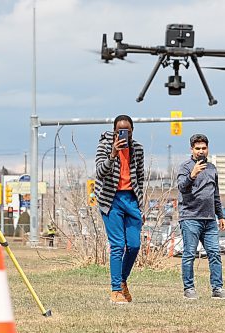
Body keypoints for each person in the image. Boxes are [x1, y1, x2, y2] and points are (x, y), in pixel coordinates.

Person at [95, 115, 144, 304]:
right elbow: (99, 173)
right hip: (111, 199)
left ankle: (122, 280)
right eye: (119, 131)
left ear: (132, 131)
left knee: (134, 245)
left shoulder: (138, 149)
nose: (123, 134)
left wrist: (141, 206)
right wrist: (113, 154)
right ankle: (115, 290)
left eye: (127, 131)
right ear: (114, 131)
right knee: (117, 245)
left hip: (131, 199)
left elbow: (140, 178)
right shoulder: (105, 145)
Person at [177, 134, 225, 300]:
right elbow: (181, 187)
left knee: (215, 253)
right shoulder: (185, 167)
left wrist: (220, 216)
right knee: (189, 254)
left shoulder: (212, 168)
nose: (201, 151)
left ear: (207, 149)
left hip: (209, 220)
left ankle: (217, 288)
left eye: (204, 148)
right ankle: (189, 288)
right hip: (190, 218)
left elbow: (215, 194)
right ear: (191, 149)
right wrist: (192, 175)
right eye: (197, 148)